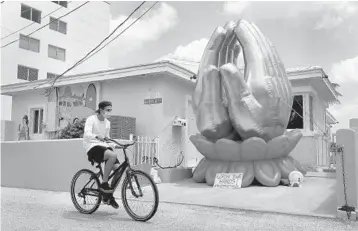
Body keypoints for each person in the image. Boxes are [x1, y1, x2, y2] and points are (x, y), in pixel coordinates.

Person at [83, 101, 119, 209]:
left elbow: (107, 139)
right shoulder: (91, 119)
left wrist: (116, 145)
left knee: (119, 171)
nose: (109, 112)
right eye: (108, 110)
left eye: (110, 110)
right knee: (112, 156)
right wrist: (97, 136)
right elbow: (87, 134)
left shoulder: (107, 123)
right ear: (101, 109)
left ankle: (108, 196)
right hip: (92, 146)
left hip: (103, 146)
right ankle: (104, 183)